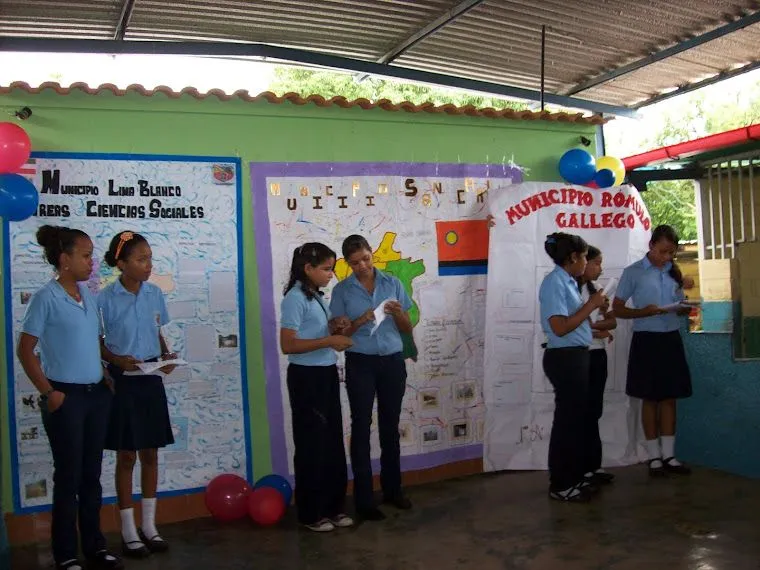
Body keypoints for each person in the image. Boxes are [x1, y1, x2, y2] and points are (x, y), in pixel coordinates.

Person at [16, 225, 123, 570]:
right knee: (69, 477)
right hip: (66, 399)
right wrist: (49, 392)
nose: (92, 262)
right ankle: (65, 553)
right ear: (65, 260)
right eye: (86, 255)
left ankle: (95, 546)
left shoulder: (86, 296)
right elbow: (26, 350)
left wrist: (103, 372)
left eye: (92, 255)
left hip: (95, 396)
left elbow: (91, 341)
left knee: (91, 475)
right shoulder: (47, 298)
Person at [97, 231, 177, 557]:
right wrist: (115, 360)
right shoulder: (104, 298)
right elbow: (96, 339)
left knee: (151, 453)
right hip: (123, 380)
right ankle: (128, 531)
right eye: (141, 259)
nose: (148, 265)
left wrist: (168, 357)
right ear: (121, 263)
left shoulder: (155, 293)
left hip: (149, 377)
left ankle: (150, 527)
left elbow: (157, 331)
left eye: (150, 258)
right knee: (126, 455)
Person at [330, 234, 414, 521]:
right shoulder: (342, 290)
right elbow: (339, 334)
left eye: (365, 259)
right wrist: (360, 321)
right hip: (361, 363)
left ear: (371, 254)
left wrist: (399, 313)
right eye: (355, 263)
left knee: (390, 426)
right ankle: (364, 500)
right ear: (347, 264)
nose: (362, 266)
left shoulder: (393, 283)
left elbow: (405, 327)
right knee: (361, 426)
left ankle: (393, 490)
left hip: (392, 360)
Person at [280, 242, 354, 532]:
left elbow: (312, 333)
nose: (331, 275)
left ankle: (334, 508)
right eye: (325, 269)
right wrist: (329, 341)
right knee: (312, 446)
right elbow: (288, 345)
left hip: (325, 374)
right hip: (306, 378)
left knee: (333, 443)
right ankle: (311, 514)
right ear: (307, 269)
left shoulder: (315, 296)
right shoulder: (295, 298)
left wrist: (334, 325)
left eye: (332, 269)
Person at [612, 224, 693, 477]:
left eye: (670, 253)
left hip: (670, 338)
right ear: (651, 246)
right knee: (649, 397)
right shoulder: (633, 272)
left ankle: (669, 455)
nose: (666, 258)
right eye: (662, 252)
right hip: (646, 339)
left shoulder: (673, 272)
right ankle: (653, 456)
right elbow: (618, 309)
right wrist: (643, 312)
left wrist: (683, 307)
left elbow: (680, 305)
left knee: (669, 397)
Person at [539, 232, 606, 503]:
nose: (587, 262)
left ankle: (574, 477)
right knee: (567, 424)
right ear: (574, 257)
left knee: (577, 422)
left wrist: (594, 319)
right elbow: (559, 326)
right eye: (585, 257)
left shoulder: (567, 282)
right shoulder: (554, 282)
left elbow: (575, 322)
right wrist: (591, 305)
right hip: (565, 359)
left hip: (577, 356)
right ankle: (561, 483)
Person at [577, 245, 617, 486]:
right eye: (597, 263)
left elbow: (611, 323)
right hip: (581, 356)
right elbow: (570, 324)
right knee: (580, 413)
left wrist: (600, 323)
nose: (600, 268)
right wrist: (595, 330)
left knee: (594, 412)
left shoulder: (597, 292)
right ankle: (580, 467)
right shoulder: (572, 290)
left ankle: (594, 465)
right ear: (584, 263)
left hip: (598, 356)